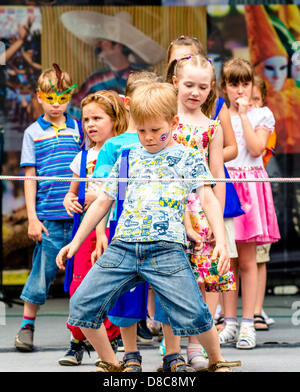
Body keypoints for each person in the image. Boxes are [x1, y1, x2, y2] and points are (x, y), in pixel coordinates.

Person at [56, 82, 241, 373]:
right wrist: (76, 242)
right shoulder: (127, 156)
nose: (148, 137)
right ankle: (112, 362)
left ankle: (217, 360)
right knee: (80, 306)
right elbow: (103, 201)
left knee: (194, 311)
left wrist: (220, 237)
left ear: (174, 122)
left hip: (166, 248)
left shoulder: (188, 157)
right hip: (123, 246)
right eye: (141, 131)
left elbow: (208, 197)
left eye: (156, 130)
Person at [157, 38, 240, 370]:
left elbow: (216, 175)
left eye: (202, 87)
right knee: (170, 279)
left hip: (202, 214)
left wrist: (217, 224)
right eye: (188, 84)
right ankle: (172, 347)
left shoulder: (212, 128)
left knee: (207, 280)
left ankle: (197, 345)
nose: (195, 91)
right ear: (175, 82)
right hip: (169, 211)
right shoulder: (164, 123)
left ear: (210, 90)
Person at [92, 70, 164, 371]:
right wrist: (99, 233)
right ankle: (130, 353)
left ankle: (172, 352)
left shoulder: (166, 141)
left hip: (161, 227)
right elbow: (101, 194)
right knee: (124, 292)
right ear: (127, 102)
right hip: (122, 227)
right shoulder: (114, 146)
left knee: (164, 292)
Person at [15, 64, 82, 352]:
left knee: (82, 275)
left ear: (70, 98)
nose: (57, 105)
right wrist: (32, 217)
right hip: (49, 219)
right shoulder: (32, 132)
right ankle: (26, 327)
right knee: (41, 274)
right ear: (39, 97)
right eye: (50, 98)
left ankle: (80, 333)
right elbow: (29, 177)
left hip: (79, 216)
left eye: (63, 98)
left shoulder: (80, 127)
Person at [58, 90, 128, 366]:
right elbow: (72, 192)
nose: (90, 124)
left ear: (115, 119)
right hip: (86, 230)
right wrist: (70, 200)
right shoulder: (83, 155)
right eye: (86, 119)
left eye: (97, 118)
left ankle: (111, 339)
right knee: (81, 284)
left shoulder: (125, 151)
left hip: (116, 227)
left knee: (113, 286)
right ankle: (77, 341)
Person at [219, 58, 280, 349]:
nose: (240, 89)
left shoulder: (262, 114)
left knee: (248, 260)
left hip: (251, 189)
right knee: (226, 259)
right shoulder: (217, 114)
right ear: (224, 86)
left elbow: (256, 149)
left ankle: (247, 324)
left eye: (245, 83)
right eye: (234, 84)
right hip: (226, 187)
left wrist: (244, 115)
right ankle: (228, 322)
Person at [60, 10, 165, 120]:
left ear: (119, 45)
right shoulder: (95, 80)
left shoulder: (147, 77)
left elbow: (160, 107)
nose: (97, 46)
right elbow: (74, 109)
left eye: (104, 42)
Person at [250, 75, 276, 330]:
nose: (252, 104)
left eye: (256, 99)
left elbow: (258, 150)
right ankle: (226, 313)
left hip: (256, 198)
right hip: (233, 195)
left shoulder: (264, 122)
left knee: (259, 257)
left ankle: (256, 311)